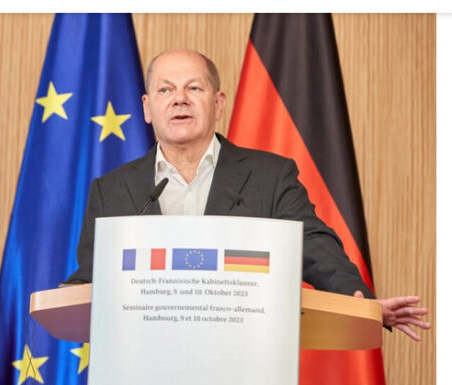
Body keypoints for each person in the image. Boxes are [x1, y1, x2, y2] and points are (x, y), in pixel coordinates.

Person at [67, 49, 430, 341]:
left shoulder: (270, 176)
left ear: (218, 103)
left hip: (244, 372)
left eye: (194, 88)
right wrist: (64, 298)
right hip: (140, 372)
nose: (179, 99)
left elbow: (315, 246)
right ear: (147, 108)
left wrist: (360, 301)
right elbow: (91, 280)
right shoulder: (111, 188)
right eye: (165, 90)